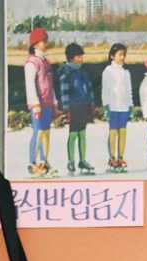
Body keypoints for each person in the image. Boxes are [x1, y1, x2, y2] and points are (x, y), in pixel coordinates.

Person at [24, 27, 59, 178]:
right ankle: (33, 162)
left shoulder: (46, 62)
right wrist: (35, 103)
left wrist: (55, 103)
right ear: (35, 44)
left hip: (48, 103)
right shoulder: (32, 63)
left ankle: (44, 162)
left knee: (46, 133)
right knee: (38, 132)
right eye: (44, 41)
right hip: (38, 104)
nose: (47, 44)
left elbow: (50, 84)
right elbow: (30, 85)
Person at [57, 43, 96, 175]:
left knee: (82, 134)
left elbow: (89, 88)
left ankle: (82, 160)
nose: (81, 59)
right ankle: (71, 161)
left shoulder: (82, 72)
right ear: (71, 58)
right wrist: (66, 109)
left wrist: (91, 103)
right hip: (73, 108)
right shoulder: (66, 73)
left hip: (83, 106)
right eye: (78, 57)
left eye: (82, 56)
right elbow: (64, 92)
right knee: (73, 134)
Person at [101, 42, 133, 173]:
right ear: (112, 56)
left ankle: (120, 157)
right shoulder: (108, 71)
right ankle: (112, 157)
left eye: (124, 55)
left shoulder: (126, 72)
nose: (122, 57)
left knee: (123, 132)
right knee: (113, 132)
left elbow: (129, 90)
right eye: (120, 55)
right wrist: (106, 105)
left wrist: (131, 105)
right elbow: (105, 89)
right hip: (113, 106)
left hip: (124, 106)